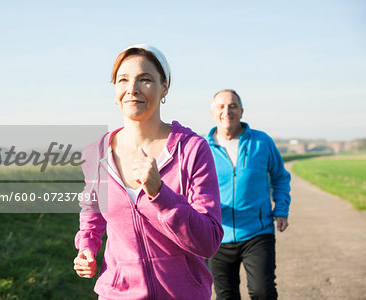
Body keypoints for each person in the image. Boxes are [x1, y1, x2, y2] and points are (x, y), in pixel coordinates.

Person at [73, 44, 224, 299]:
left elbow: (208, 241)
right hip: (117, 293)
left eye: (145, 79)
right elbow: (93, 213)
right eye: (123, 80)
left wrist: (160, 194)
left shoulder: (192, 149)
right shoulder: (96, 154)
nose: (132, 89)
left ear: (164, 87)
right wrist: (86, 247)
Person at [205, 89, 291, 300]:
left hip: (258, 232)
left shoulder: (262, 142)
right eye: (221, 106)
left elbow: (280, 177)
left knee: (263, 292)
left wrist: (281, 209)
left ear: (241, 111)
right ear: (212, 112)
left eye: (233, 106)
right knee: (226, 296)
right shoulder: (202, 148)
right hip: (218, 236)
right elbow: (190, 189)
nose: (227, 111)